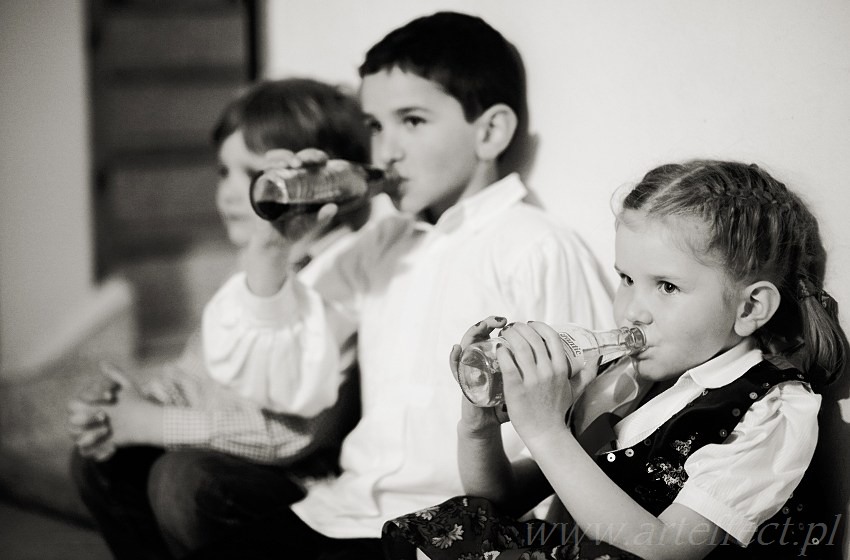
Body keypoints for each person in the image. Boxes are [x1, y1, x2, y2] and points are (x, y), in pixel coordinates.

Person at [185, 11, 614, 560]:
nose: (385, 151)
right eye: (375, 126)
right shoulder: (383, 242)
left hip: (452, 528)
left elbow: (591, 419)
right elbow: (289, 382)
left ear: (490, 131)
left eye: (411, 121)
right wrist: (274, 245)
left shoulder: (536, 246)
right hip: (343, 511)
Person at [383, 160, 849, 560]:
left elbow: (665, 550)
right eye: (626, 279)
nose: (632, 310)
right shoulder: (626, 383)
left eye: (666, 286)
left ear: (749, 309)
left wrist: (548, 431)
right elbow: (496, 501)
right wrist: (479, 424)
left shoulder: (771, 410)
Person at [67, 77, 383, 559]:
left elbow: (289, 436)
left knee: (185, 481)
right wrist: (129, 405)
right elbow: (197, 372)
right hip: (235, 458)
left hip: (303, 487)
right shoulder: (248, 271)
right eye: (223, 172)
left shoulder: (343, 276)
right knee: (101, 461)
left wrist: (151, 424)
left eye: (253, 174)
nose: (231, 195)